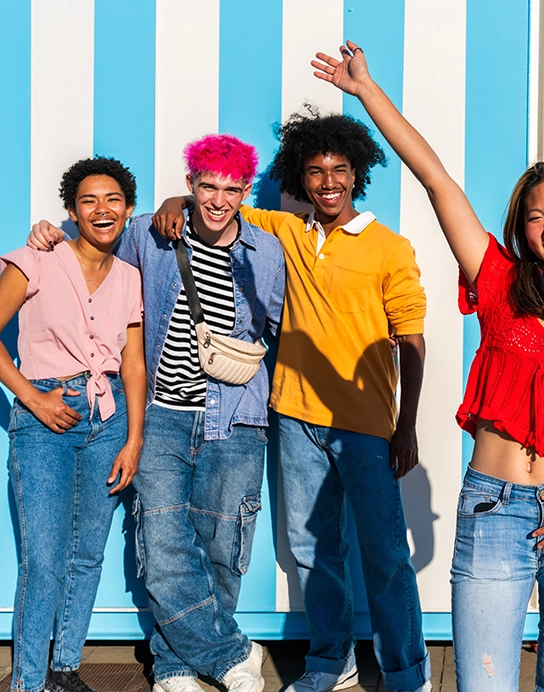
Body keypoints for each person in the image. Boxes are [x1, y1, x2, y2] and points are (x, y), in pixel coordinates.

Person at [311, 40, 544, 692]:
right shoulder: (501, 286)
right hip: (493, 511)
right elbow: (436, 179)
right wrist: (366, 92)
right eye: (534, 218)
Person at [151, 109, 430, 692]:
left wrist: (406, 427)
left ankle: (408, 673)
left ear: (358, 174)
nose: (328, 181)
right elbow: (220, 207)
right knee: (311, 550)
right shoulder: (286, 232)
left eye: (340, 169)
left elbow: (412, 340)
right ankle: (332, 660)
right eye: (315, 170)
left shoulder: (390, 248)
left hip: (367, 428)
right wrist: (175, 202)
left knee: (384, 556)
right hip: (295, 421)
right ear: (301, 178)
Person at [27, 136, 286, 692]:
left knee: (223, 546)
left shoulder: (266, 252)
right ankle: (233, 653)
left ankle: (175, 663)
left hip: (236, 416)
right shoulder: (148, 232)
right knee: (163, 543)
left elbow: (278, 329)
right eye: (207, 186)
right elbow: (89, 264)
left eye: (232, 188)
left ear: (245, 192)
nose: (219, 198)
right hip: (161, 414)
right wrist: (51, 235)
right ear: (190, 186)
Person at [0, 157, 146, 692]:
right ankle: (28, 682)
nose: (102, 209)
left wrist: (134, 439)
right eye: (89, 200)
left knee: (88, 554)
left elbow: (133, 363)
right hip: (45, 418)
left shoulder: (131, 276)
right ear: (71, 210)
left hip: (109, 418)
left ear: (129, 210)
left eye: (113, 199)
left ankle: (65, 669)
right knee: (43, 562)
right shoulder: (37, 259)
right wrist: (33, 399)